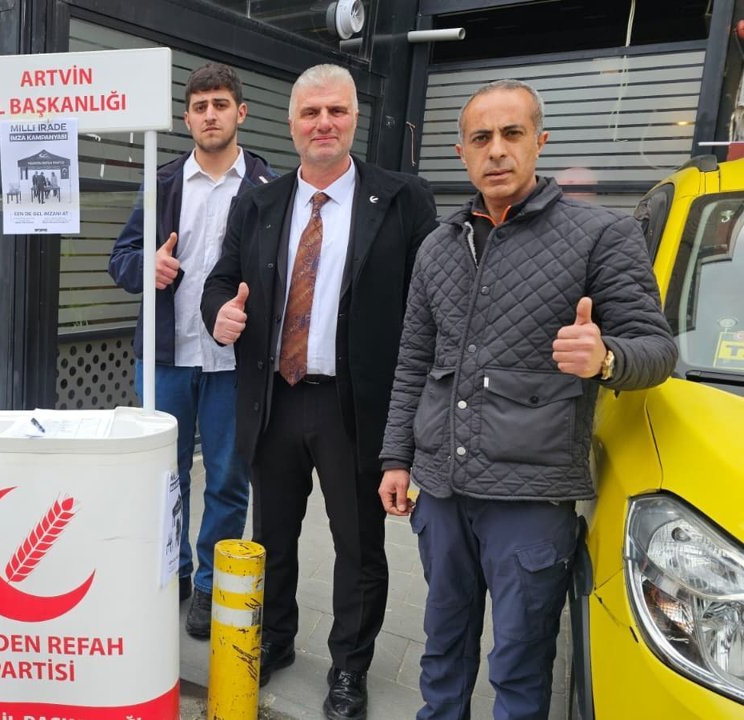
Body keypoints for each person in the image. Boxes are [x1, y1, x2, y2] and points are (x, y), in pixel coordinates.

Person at [377, 79, 677, 719]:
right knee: (443, 645)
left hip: (531, 498)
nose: (496, 150)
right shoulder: (438, 245)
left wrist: (605, 358)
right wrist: (396, 459)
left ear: (539, 141)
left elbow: (656, 349)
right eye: (481, 137)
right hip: (443, 491)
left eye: (511, 134)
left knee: (519, 661)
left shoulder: (600, 235)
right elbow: (413, 363)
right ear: (461, 152)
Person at [202, 64, 438, 718]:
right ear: (291, 124)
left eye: (336, 111)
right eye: (311, 113)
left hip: (352, 405)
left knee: (357, 545)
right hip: (274, 398)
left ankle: (348, 668)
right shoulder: (259, 202)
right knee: (273, 535)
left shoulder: (402, 200)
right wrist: (219, 314)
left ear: (355, 117)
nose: (323, 123)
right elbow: (220, 281)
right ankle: (275, 639)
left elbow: (429, 305)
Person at [108, 61, 275, 639]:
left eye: (220, 104)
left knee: (228, 478)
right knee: (165, 474)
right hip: (166, 357)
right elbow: (120, 258)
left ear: (240, 112)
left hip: (233, 362)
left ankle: (210, 584)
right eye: (200, 107)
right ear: (187, 118)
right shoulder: (162, 182)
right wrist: (146, 266)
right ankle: (174, 570)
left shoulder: (269, 188)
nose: (210, 115)